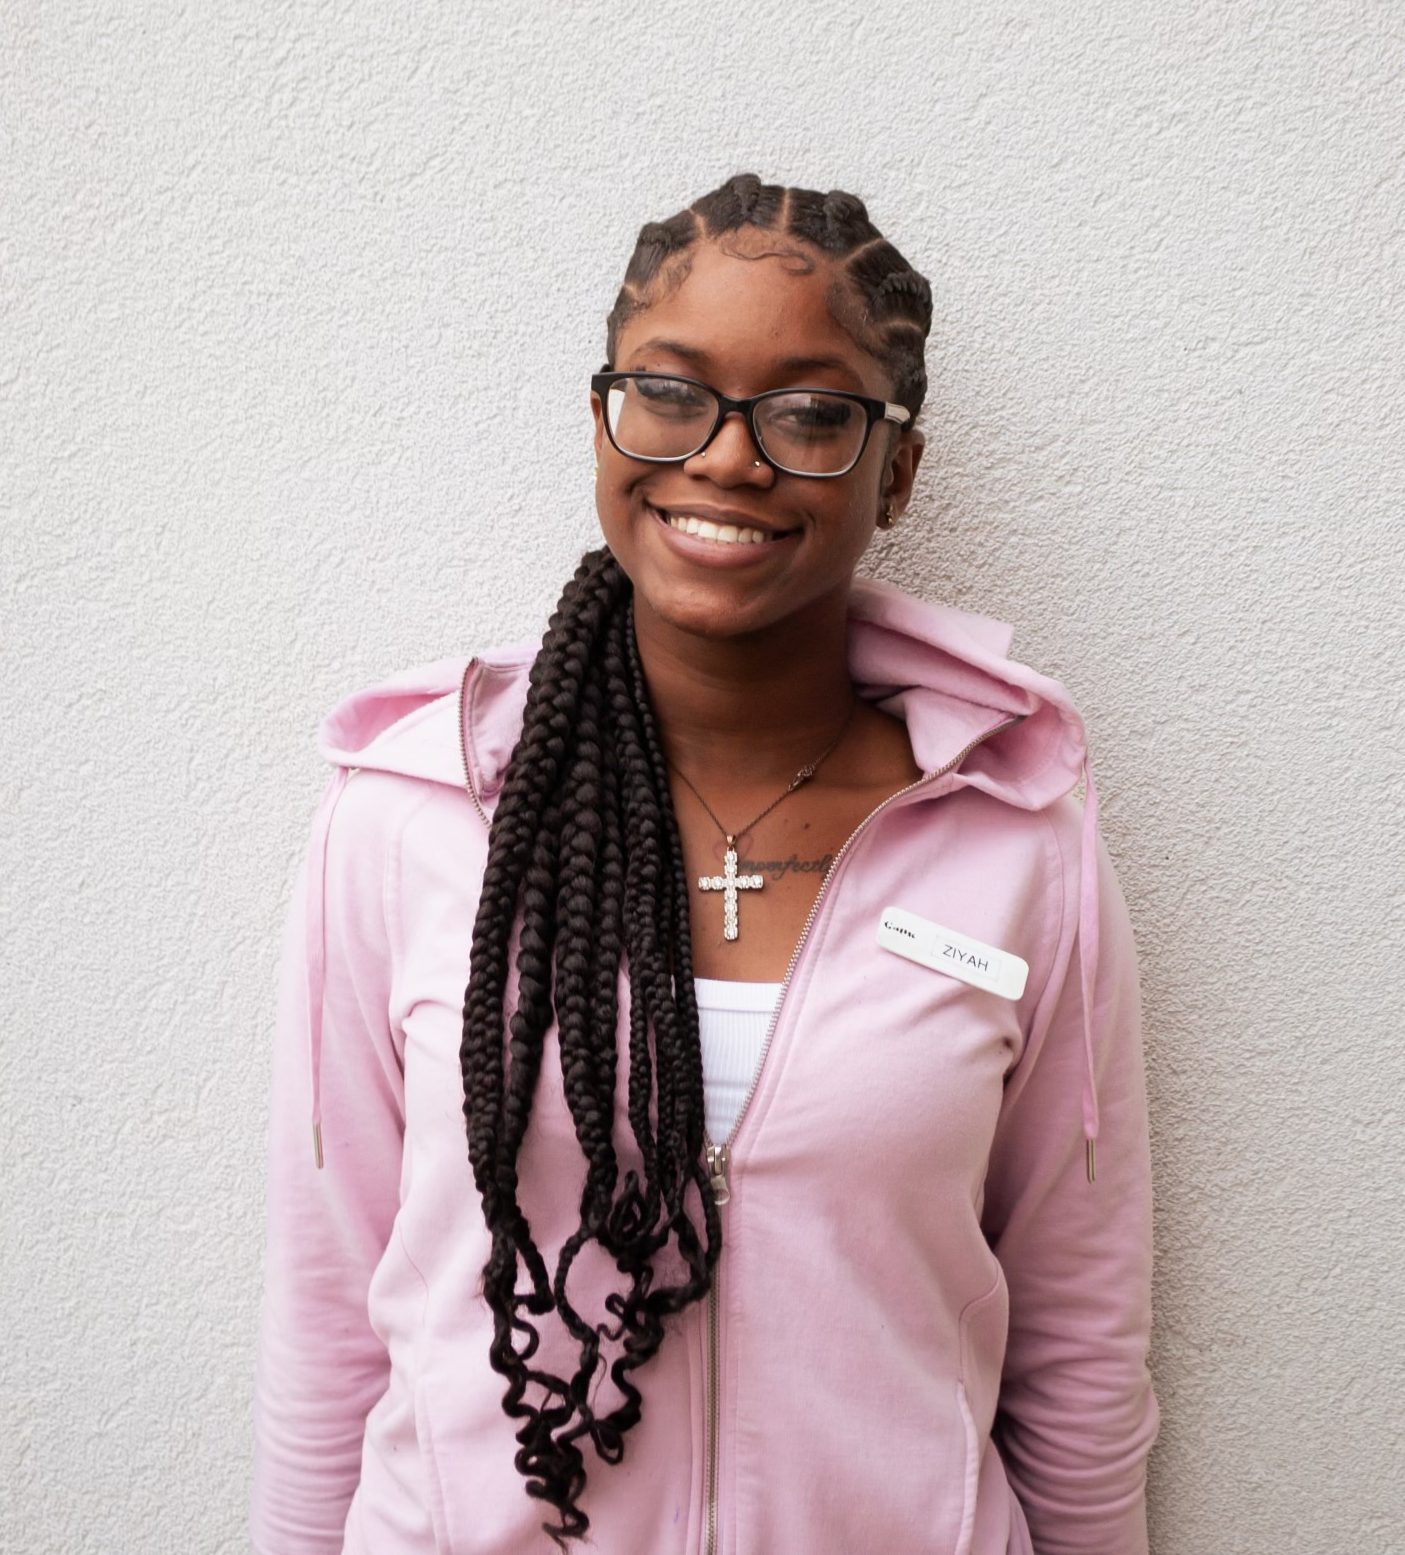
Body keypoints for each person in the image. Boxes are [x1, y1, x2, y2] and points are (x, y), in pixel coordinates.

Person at [249, 172, 1160, 1555]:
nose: (729, 459)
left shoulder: (1015, 839)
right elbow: (328, 1311)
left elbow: (1080, 1340)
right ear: (602, 422)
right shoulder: (409, 817)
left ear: (896, 472)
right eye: (670, 393)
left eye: (811, 413)